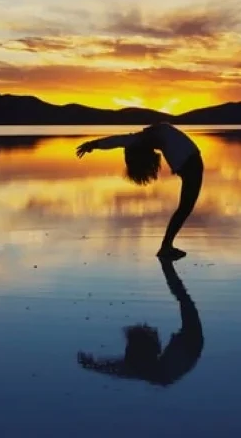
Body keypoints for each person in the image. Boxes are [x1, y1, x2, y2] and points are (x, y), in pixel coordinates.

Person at [76, 122, 203, 260]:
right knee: (184, 209)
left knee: (184, 209)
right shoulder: (146, 138)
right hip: (190, 167)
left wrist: (93, 144)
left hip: (190, 165)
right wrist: (93, 145)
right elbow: (118, 141)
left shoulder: (144, 137)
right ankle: (166, 247)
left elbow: (118, 141)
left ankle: (166, 246)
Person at [77, 258, 204, 386]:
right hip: (189, 346)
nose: (126, 351)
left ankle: (166, 264)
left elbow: (118, 369)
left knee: (183, 297)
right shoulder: (152, 371)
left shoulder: (145, 369)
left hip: (185, 349)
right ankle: (166, 264)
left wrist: (94, 366)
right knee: (183, 298)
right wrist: (94, 366)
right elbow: (120, 369)